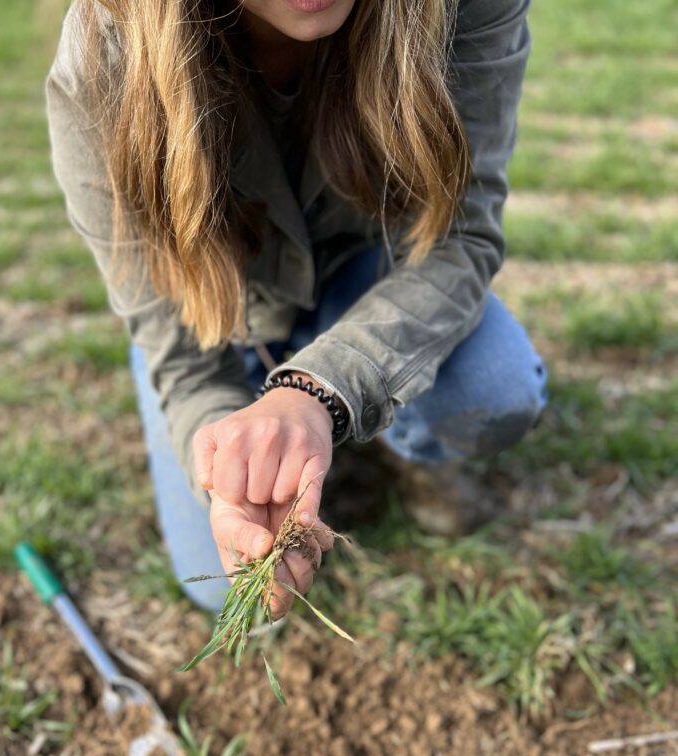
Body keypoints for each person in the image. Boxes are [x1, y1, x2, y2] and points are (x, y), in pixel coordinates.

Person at [45, 0, 547, 619]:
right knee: (226, 587)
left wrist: (320, 391)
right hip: (218, 315)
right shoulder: (103, 58)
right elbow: (182, 356)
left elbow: (461, 239)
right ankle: (298, 433)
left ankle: (402, 445)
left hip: (368, 278)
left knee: (492, 389)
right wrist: (229, 475)